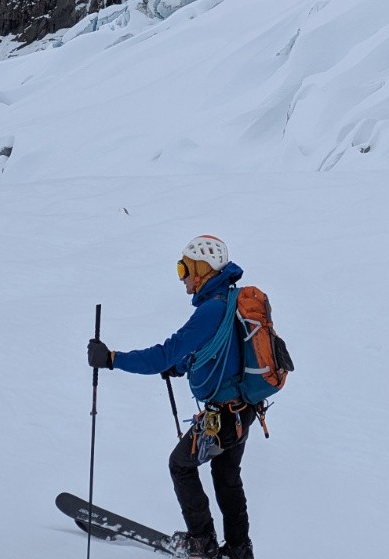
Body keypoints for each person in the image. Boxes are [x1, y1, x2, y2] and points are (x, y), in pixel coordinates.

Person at [87, 234, 256, 559]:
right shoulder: (230, 301)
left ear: (203, 270)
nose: (182, 277)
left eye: (185, 268)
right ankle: (238, 550)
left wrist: (111, 359)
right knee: (226, 477)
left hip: (222, 416)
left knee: (180, 465)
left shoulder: (210, 311)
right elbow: (218, 350)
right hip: (244, 410)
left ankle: (201, 543)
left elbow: (163, 354)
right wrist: (182, 365)